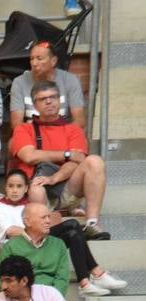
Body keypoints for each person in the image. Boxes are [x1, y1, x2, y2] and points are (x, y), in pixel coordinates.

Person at [9, 80, 107, 235]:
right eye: (43, 99)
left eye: (53, 97)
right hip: (37, 186)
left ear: (59, 101)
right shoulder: (24, 129)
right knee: (36, 189)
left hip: (66, 186)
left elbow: (77, 161)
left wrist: (54, 178)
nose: (49, 101)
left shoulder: (73, 130)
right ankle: (44, 234)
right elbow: (29, 156)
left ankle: (92, 223)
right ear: (35, 104)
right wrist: (66, 154)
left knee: (95, 161)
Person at [10, 37, 87, 127]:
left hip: (62, 132)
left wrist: (65, 134)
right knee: (13, 141)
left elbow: (79, 120)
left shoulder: (70, 80)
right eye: (32, 59)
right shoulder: (19, 82)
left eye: (39, 59)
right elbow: (16, 124)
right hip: (32, 134)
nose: (34, 63)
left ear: (53, 61)